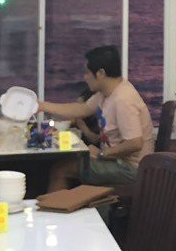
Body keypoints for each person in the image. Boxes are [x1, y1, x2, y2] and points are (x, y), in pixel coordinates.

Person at [40, 45, 155, 189]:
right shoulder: (107, 93)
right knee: (65, 162)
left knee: (60, 170)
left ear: (101, 73)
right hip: (116, 161)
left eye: (87, 72)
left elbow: (135, 143)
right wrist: (41, 106)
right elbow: (82, 109)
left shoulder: (123, 100)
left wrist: (102, 154)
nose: (85, 77)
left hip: (130, 168)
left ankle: (57, 203)